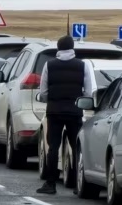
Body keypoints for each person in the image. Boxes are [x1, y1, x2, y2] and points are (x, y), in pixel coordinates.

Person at [36, 35, 93, 195]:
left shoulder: (49, 65)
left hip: (54, 111)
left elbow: (43, 92)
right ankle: (77, 184)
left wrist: (51, 99)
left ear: (59, 48)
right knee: (76, 147)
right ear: (72, 47)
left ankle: (50, 183)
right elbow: (88, 91)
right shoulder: (82, 66)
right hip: (75, 111)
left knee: (53, 147)